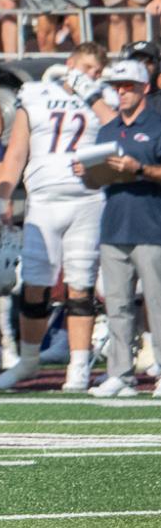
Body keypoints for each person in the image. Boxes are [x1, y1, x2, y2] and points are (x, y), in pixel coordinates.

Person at [0, 45, 111, 391]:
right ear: (70, 64)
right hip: (43, 200)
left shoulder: (103, 98)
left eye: (96, 71)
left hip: (88, 199)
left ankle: (78, 366)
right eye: (86, 67)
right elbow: (17, 150)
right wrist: (2, 194)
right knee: (34, 283)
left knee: (81, 285)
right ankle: (29, 360)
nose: (90, 75)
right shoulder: (37, 94)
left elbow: (117, 130)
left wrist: (94, 96)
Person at [79, 59, 161, 397]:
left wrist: (139, 168)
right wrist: (87, 172)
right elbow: (92, 182)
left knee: (157, 305)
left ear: (144, 87)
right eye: (117, 87)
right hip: (114, 226)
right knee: (117, 305)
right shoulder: (108, 129)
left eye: (128, 86)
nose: (121, 92)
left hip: (152, 226)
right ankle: (120, 374)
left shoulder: (156, 125)